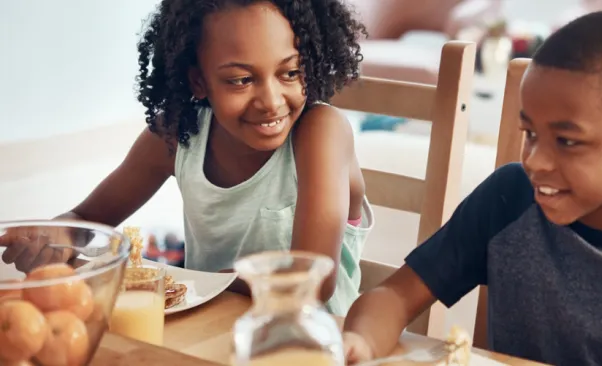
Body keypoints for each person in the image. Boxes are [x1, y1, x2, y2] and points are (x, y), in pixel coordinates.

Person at [341, 10, 602, 366]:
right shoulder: (508, 199)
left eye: (568, 141)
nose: (534, 160)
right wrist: (358, 342)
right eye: (530, 132)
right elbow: (394, 297)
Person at [0, 0, 371, 316]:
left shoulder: (322, 132)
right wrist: (55, 237)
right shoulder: (180, 135)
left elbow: (313, 278)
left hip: (312, 346)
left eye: (290, 72)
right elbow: (84, 220)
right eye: (241, 80)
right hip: (208, 338)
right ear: (198, 81)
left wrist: (172, 281)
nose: (272, 100)